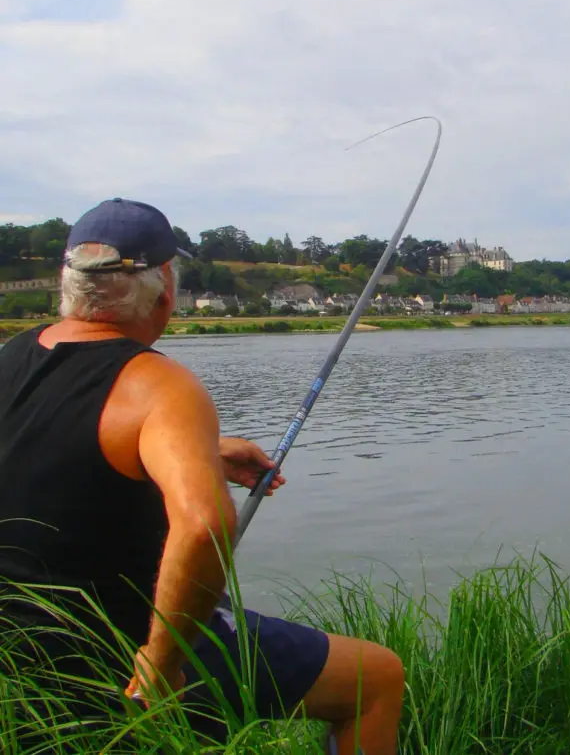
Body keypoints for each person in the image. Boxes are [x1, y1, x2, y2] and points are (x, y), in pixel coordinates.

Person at [0, 198, 404, 755]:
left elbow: (55, 452)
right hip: (118, 644)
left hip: (18, 646)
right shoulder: (160, 385)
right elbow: (204, 526)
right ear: (164, 284)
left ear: (68, 281)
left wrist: (198, 455)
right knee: (375, 679)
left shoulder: (12, 357)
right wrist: (163, 665)